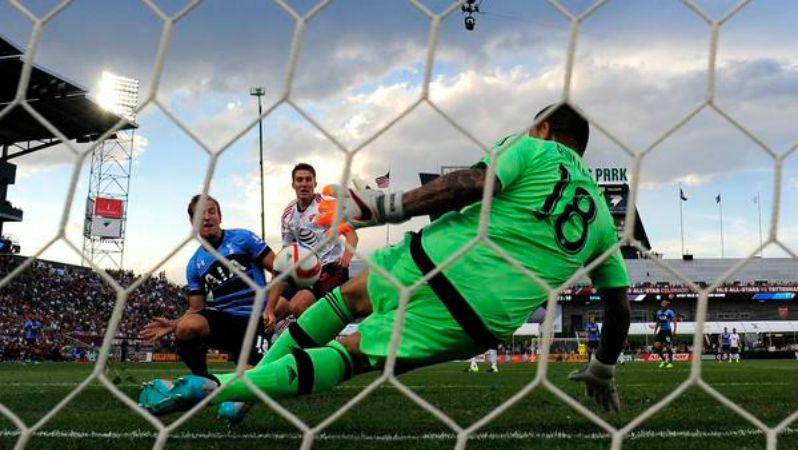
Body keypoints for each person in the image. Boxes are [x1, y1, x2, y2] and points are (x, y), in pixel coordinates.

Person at [139, 104, 631, 415]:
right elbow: (619, 308)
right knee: (351, 354)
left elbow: (471, 185)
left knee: (347, 300)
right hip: (483, 311)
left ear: (543, 128)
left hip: (435, 255)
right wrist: (603, 368)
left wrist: (381, 207)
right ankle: (223, 389)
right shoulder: (606, 223)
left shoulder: (533, 149)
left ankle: (235, 386)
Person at [139, 194, 280, 421]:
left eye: (211, 211)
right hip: (226, 320)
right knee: (187, 327)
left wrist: (271, 309)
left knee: (234, 407)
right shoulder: (195, 264)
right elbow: (196, 309)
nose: (207, 217)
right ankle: (202, 381)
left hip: (256, 321)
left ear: (220, 216)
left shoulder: (243, 238)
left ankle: (243, 384)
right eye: (200, 214)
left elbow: (279, 268)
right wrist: (175, 324)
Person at [264, 163, 359, 331]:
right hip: (304, 270)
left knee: (298, 305)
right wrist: (274, 286)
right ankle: (273, 344)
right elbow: (286, 252)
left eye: (308, 180)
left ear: (315, 184)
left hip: (331, 267)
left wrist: (347, 257)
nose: (304, 183)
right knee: (272, 314)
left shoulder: (326, 206)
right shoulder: (289, 213)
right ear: (293, 184)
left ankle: (322, 344)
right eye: (299, 180)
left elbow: (352, 235)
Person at [652, 300, 676, 368]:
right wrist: (655, 331)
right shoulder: (659, 312)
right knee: (656, 345)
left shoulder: (670, 312)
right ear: (662, 305)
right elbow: (657, 322)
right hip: (661, 331)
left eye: (665, 305)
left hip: (668, 331)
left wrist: (674, 330)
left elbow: (674, 321)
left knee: (668, 346)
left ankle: (670, 362)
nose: (665, 306)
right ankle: (663, 360)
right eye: (663, 305)